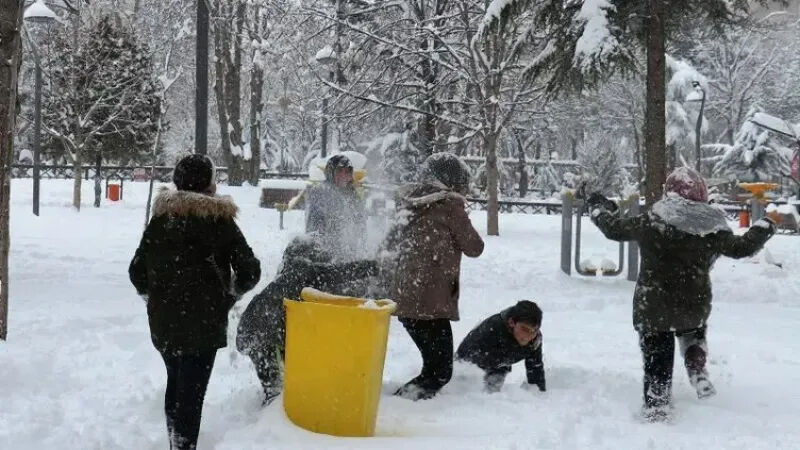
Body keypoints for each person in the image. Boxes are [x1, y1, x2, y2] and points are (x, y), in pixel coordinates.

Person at [586, 166, 776, 422]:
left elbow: (613, 229)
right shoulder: (711, 227)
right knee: (692, 332)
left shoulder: (651, 221)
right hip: (693, 303)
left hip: (653, 305)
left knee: (658, 357)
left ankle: (658, 405)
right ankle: (696, 365)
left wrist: (599, 209)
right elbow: (741, 248)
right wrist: (764, 227)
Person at [129, 154, 261, 450]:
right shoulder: (220, 221)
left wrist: (157, 298)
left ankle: (175, 441)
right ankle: (183, 446)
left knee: (176, 384)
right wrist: (229, 296)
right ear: (209, 184)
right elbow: (250, 271)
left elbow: (136, 271)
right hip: (203, 323)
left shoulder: (161, 219)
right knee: (191, 393)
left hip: (164, 323)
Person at [382, 152, 484, 401]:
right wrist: (460, 214)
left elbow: (388, 244)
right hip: (431, 302)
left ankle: (407, 403)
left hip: (407, 298)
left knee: (434, 368)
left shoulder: (409, 201)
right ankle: (401, 404)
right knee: (439, 372)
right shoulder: (449, 205)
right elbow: (475, 247)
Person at [236, 235, 378, 405]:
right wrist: (372, 266)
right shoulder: (308, 271)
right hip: (266, 332)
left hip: (250, 331)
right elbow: (340, 272)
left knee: (275, 375)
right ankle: (277, 411)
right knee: (278, 391)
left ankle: (276, 399)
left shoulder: (287, 275)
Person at [456, 300, 546, 393]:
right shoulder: (491, 330)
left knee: (494, 393)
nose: (528, 335)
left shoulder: (534, 340)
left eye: (534, 331)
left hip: (500, 365)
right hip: (469, 365)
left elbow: (535, 369)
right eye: (524, 329)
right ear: (512, 322)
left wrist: (539, 394)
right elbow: (468, 363)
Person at [305, 154, 367, 261]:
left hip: (349, 254)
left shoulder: (353, 195)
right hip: (326, 255)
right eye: (339, 171)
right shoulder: (321, 192)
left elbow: (360, 224)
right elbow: (315, 227)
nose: (343, 175)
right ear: (330, 173)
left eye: (347, 172)